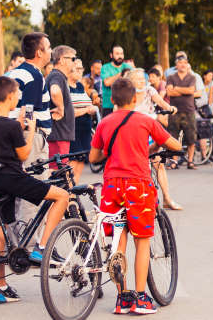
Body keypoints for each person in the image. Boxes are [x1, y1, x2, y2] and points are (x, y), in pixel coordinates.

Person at [88, 78, 181, 314]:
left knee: (118, 242)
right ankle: (140, 298)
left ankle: (122, 298)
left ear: (112, 99)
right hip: (137, 184)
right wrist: (160, 146)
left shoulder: (105, 123)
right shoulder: (145, 120)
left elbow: (93, 158)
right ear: (136, 98)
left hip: (111, 185)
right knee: (142, 241)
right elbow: (174, 145)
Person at [0, 76, 70, 300]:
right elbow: (23, 154)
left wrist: (18, 127)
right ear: (10, 96)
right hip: (13, 177)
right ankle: (42, 247)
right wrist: (30, 131)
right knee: (62, 196)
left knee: (0, 231)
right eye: (17, 95)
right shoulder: (11, 125)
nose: (18, 99)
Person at [6, 33, 53, 241]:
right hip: (30, 137)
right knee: (33, 190)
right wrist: (30, 132)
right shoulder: (34, 75)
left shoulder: (13, 73)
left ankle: (15, 240)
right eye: (48, 47)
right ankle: (28, 244)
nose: (51, 51)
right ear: (39, 52)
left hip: (10, 134)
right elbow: (28, 111)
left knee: (15, 190)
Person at [126, 69, 181, 211]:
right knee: (137, 167)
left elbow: (161, 102)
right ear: (131, 80)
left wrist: (169, 108)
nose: (142, 81)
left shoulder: (149, 90)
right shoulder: (127, 94)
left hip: (149, 131)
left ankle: (167, 198)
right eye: (138, 79)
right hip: (133, 134)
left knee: (159, 164)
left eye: (142, 78)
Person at [45, 45, 77, 169]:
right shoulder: (57, 76)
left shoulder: (57, 76)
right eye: (73, 59)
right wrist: (61, 108)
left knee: (59, 171)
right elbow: (55, 90)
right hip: (58, 135)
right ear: (62, 60)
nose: (75, 62)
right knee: (58, 172)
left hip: (59, 134)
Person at [166, 55, 200, 170]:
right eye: (180, 63)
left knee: (191, 137)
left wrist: (176, 88)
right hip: (174, 111)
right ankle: (174, 162)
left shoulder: (192, 77)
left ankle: (190, 161)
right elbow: (169, 92)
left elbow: (191, 90)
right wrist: (184, 91)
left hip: (189, 110)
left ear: (187, 64)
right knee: (173, 136)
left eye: (185, 63)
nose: (183, 65)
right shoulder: (171, 77)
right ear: (176, 65)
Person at [68, 59, 97, 180]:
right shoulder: (65, 86)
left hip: (85, 129)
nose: (80, 71)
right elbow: (67, 112)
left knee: (81, 161)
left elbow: (86, 104)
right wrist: (86, 110)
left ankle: (74, 190)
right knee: (72, 163)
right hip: (73, 130)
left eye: (81, 68)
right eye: (77, 68)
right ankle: (67, 190)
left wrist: (92, 109)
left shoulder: (80, 86)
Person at [101, 45, 133, 116]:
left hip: (125, 105)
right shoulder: (105, 67)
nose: (120, 56)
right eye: (117, 54)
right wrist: (121, 73)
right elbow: (107, 83)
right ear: (111, 55)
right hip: (109, 105)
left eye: (121, 53)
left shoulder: (128, 67)